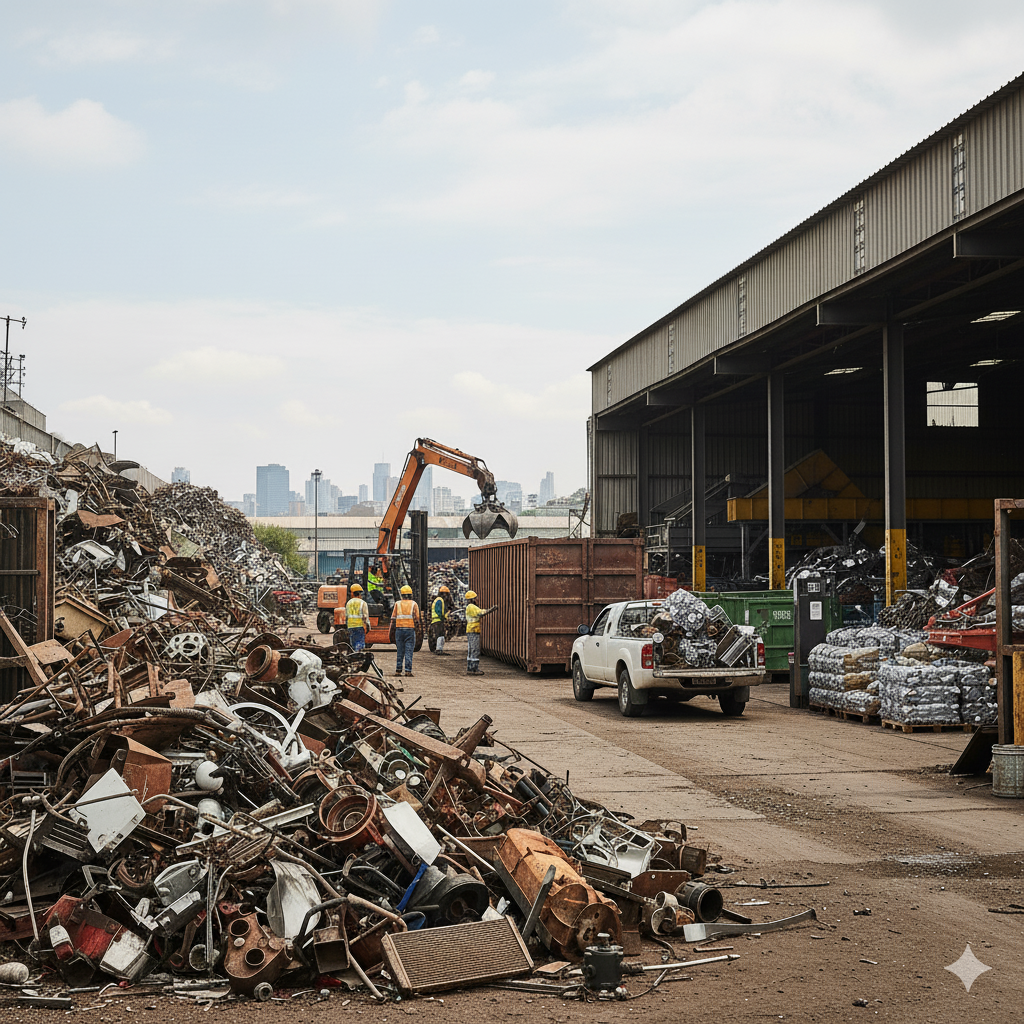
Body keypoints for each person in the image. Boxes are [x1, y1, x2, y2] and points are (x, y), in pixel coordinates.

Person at [464, 590, 496, 676]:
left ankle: (470, 668)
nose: (477, 599)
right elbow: (481, 613)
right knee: (475, 649)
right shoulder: (471, 606)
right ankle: (474, 668)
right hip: (473, 630)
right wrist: (491, 610)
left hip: (471, 630)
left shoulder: (469, 607)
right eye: (476, 598)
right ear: (472, 599)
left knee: (471, 649)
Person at [391, 584, 420, 677]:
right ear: (410, 594)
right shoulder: (414, 604)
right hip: (410, 630)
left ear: (402, 594)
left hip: (399, 629)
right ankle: (408, 670)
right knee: (409, 650)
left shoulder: (397, 603)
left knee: (400, 650)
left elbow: (393, 617)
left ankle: (398, 670)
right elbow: (417, 618)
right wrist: (418, 627)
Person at [345, 583, 370, 651]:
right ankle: (358, 655)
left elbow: (346, 616)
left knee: (353, 643)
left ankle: (354, 655)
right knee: (360, 643)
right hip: (360, 626)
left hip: (350, 627)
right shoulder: (363, 603)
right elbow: (365, 616)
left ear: (352, 593)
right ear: (360, 594)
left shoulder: (348, 603)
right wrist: (367, 626)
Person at [431, 586, 451, 655]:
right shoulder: (440, 600)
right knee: (440, 635)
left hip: (436, 620)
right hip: (438, 620)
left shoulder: (438, 599)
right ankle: (439, 650)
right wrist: (444, 617)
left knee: (440, 635)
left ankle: (439, 649)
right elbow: (438, 611)